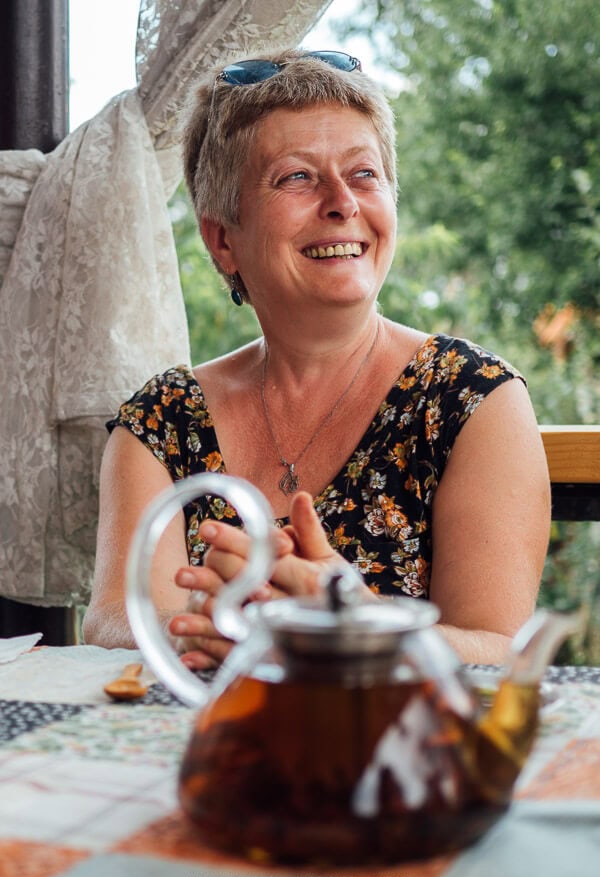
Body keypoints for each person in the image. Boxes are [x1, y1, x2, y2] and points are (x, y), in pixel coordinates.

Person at [82, 49, 551, 666]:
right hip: (191, 753)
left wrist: (342, 621)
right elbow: (116, 616)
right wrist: (226, 624)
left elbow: (498, 649)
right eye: (297, 177)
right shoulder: (163, 419)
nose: (343, 202)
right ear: (223, 238)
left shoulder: (472, 399)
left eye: (364, 174)